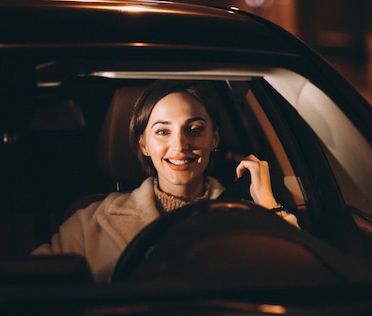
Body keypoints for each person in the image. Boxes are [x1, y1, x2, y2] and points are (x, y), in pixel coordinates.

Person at [33, 80, 297, 283]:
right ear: (143, 144)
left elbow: (299, 280)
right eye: (162, 131)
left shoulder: (248, 218)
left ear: (214, 139)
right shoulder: (89, 224)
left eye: (194, 130)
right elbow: (32, 290)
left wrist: (267, 203)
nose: (180, 145)